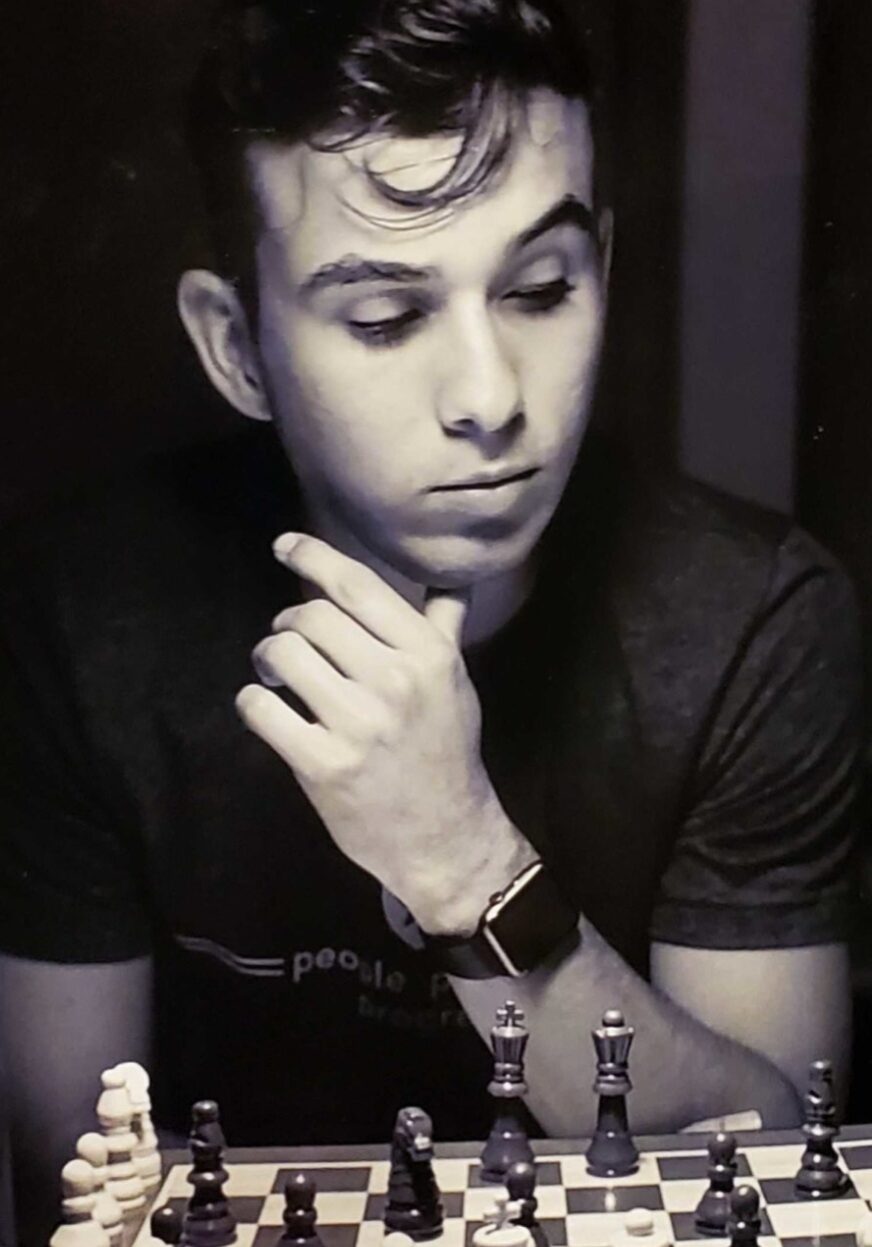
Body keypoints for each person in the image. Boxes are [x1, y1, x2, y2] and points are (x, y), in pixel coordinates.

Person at [0, 0, 861, 1242]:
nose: (488, 398)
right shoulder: (71, 624)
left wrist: (463, 863)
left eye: (538, 288)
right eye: (385, 317)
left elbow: (772, 1188)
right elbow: (74, 1198)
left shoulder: (756, 622)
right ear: (235, 345)